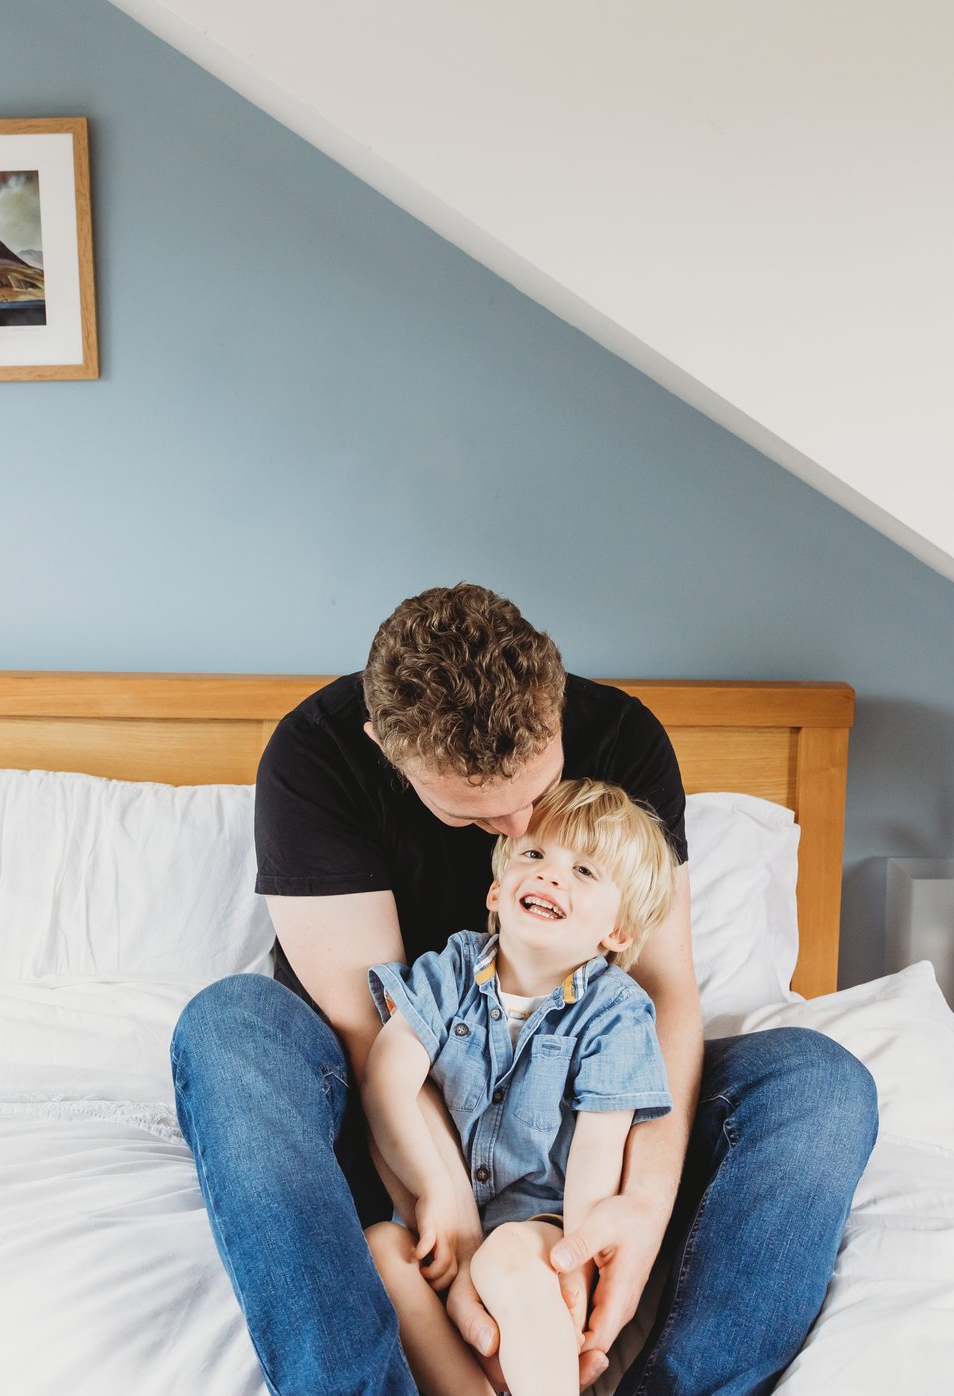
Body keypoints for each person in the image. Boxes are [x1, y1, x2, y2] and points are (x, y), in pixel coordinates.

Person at [171, 584, 878, 1396]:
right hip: (387, 1121)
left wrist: (639, 1209)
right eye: (477, 819)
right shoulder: (317, 759)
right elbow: (376, 1028)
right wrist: (459, 1223)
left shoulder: (621, 737)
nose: (520, 839)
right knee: (226, 1026)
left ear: (555, 704)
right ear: (385, 746)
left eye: (540, 798)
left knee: (820, 1083)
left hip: (577, 1116)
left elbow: (661, 991)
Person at [362, 780, 677, 1396]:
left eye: (584, 870)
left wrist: (576, 1268)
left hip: (542, 1223)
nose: (552, 876)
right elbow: (387, 1079)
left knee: (509, 1254)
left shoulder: (615, 1013)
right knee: (380, 1248)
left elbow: (597, 1153)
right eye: (534, 856)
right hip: (445, 1224)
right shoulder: (450, 970)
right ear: (497, 889)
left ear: (616, 933)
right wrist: (430, 1188)